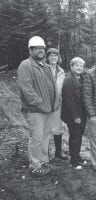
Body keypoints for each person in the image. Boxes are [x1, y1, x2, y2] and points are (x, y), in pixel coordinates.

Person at [18, 36, 60, 176]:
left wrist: (55, 102)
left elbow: (53, 86)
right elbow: (27, 89)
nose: (40, 51)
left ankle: (43, 160)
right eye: (37, 48)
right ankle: (35, 164)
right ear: (30, 50)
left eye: (42, 48)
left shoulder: (46, 66)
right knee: (36, 138)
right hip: (35, 110)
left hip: (49, 109)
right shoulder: (26, 65)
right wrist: (38, 102)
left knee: (45, 136)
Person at [61, 57, 87, 170]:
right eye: (77, 65)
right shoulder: (68, 80)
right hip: (73, 114)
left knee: (79, 135)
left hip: (82, 112)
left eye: (81, 66)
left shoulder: (82, 78)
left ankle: (77, 156)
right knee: (74, 137)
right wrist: (76, 116)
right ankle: (74, 161)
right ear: (71, 67)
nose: (79, 67)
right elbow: (69, 101)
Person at [45, 48, 67, 160]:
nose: (53, 57)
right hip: (45, 103)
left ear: (58, 57)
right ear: (47, 57)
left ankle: (58, 152)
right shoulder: (43, 69)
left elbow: (62, 88)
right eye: (51, 55)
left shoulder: (61, 71)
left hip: (58, 104)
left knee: (58, 127)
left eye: (55, 55)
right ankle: (45, 153)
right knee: (46, 128)